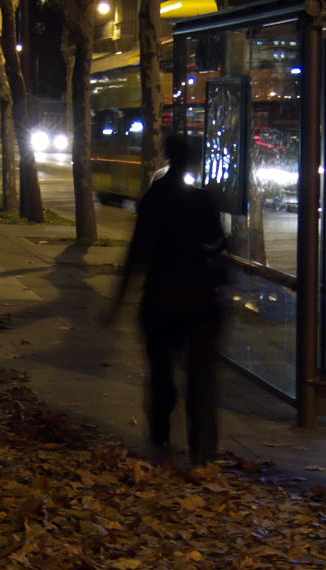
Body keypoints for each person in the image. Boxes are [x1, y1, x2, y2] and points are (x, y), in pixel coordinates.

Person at [110, 134, 228, 466]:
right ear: (193, 160)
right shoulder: (203, 200)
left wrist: (118, 302)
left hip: (160, 298)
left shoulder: (153, 199)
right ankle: (201, 449)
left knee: (161, 370)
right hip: (199, 299)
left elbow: (138, 253)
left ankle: (160, 436)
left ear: (166, 156)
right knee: (200, 375)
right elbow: (216, 244)